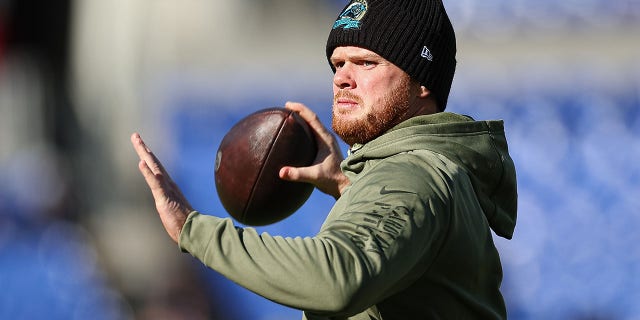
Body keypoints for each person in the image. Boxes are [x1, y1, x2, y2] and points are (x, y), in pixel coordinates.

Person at [131, 0, 518, 319]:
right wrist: (346, 186)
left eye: (365, 62)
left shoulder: (412, 175)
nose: (341, 78)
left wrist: (191, 229)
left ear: (422, 81)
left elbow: (338, 279)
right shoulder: (431, 171)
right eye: (338, 64)